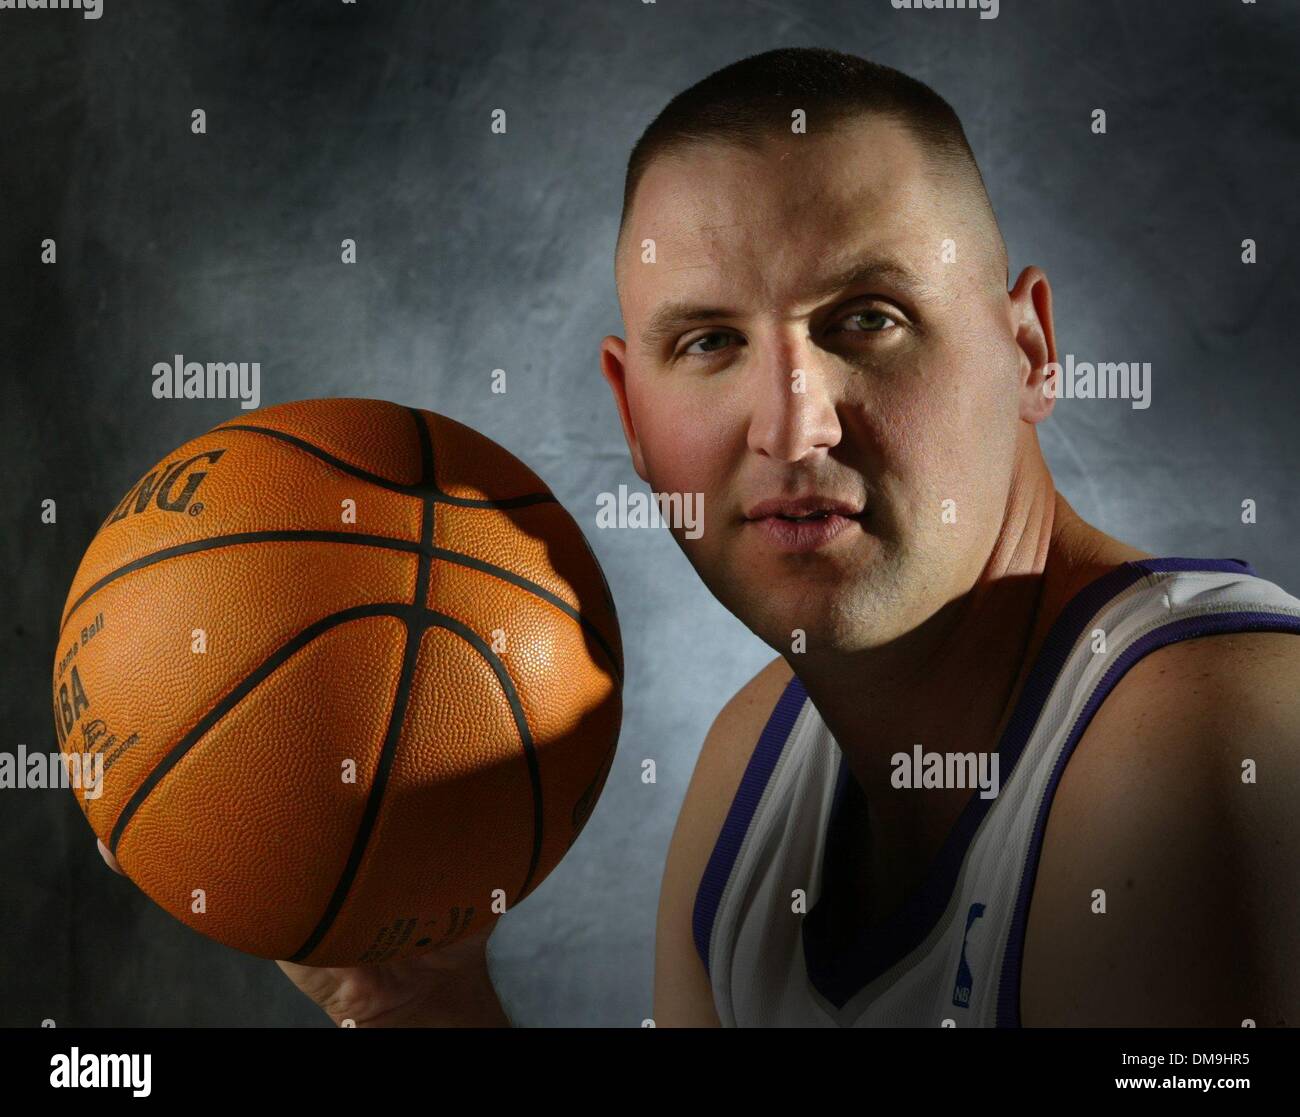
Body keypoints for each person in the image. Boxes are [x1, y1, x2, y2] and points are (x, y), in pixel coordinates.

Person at [102, 47, 1300, 1027]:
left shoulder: (1220, 737)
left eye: (867, 318)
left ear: (1029, 349)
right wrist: (419, 1005)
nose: (791, 422)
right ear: (631, 413)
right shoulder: (751, 768)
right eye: (709, 343)